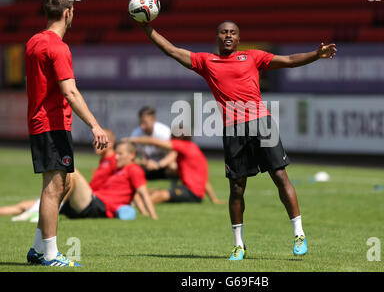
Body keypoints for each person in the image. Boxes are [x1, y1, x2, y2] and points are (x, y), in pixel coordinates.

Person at [134, 19, 337, 260]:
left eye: (233, 33)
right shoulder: (206, 61)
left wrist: (316, 54)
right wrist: (149, 30)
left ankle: (299, 234)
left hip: (262, 124)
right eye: (223, 32)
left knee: (280, 176)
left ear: (239, 39)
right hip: (233, 131)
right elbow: (172, 51)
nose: (228, 36)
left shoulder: (253, 57)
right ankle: (239, 245)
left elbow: (290, 61)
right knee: (237, 187)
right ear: (217, 37)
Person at [25, 0, 109, 267]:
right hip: (52, 124)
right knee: (53, 188)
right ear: (67, 13)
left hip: (42, 122)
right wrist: (95, 125)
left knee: (65, 183)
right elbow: (70, 92)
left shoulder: (33, 41)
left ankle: (38, 248)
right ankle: (50, 254)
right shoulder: (58, 47)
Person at [0, 129, 116, 222]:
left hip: (95, 205)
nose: (94, 143)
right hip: (79, 202)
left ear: (110, 143)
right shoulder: (104, 161)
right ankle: (34, 211)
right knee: (27, 205)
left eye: (98, 139)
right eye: (95, 139)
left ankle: (46, 215)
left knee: (71, 171)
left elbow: (129, 180)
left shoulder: (116, 160)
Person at [59, 141, 158, 221]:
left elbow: (143, 193)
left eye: (120, 154)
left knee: (72, 172)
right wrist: (143, 212)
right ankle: (54, 208)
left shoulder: (134, 169)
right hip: (94, 201)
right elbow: (134, 194)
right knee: (53, 197)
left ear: (132, 155)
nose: (116, 156)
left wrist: (153, 216)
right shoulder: (119, 169)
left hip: (99, 206)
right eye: (116, 153)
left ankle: (57, 209)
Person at [123, 131, 225, 206]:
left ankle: (136, 205)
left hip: (191, 193)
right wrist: (214, 199)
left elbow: (153, 141)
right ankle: (129, 199)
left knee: (161, 194)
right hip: (193, 192)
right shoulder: (192, 148)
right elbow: (204, 180)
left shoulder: (182, 146)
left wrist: (131, 140)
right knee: (153, 191)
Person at [130, 106, 178, 181]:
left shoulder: (164, 132)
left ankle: (175, 190)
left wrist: (158, 164)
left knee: (174, 166)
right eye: (141, 122)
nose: (142, 126)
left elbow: (174, 153)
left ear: (154, 120)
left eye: (145, 123)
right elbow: (131, 157)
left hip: (163, 166)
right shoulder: (135, 133)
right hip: (146, 167)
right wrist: (144, 163)